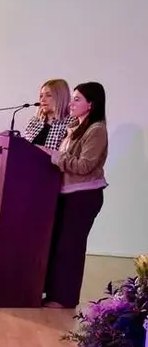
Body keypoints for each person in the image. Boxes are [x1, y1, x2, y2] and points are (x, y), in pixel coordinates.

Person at [43, 82, 109, 309]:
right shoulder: (75, 127)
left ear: (91, 104)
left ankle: (64, 298)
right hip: (67, 194)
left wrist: (54, 156)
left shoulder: (97, 130)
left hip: (84, 197)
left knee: (70, 248)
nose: (71, 103)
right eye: (72, 98)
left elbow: (84, 166)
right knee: (58, 245)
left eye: (77, 99)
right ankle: (52, 293)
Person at [22, 79, 75, 149]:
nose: (42, 100)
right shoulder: (35, 121)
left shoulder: (72, 123)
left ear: (61, 98)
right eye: (41, 96)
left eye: (48, 95)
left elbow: (67, 152)